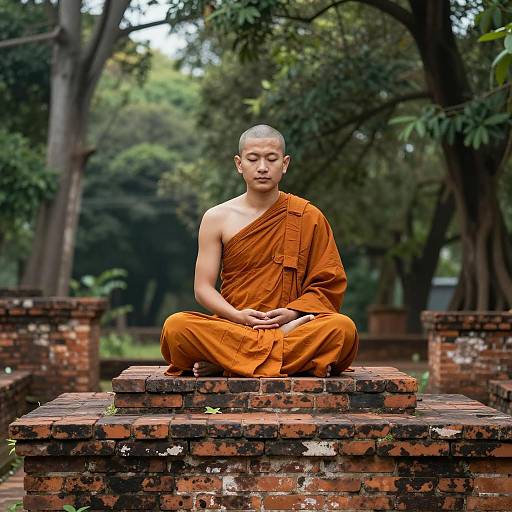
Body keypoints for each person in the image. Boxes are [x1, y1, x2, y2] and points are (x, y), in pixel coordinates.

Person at [160, 124, 358, 378]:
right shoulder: (217, 218)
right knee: (176, 328)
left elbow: (328, 283)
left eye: (271, 159)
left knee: (342, 329)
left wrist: (294, 312)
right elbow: (203, 288)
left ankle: (226, 363)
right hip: (233, 325)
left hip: (290, 325)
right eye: (253, 159)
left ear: (285, 164)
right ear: (239, 163)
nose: (262, 167)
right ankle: (287, 356)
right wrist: (238, 317)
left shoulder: (308, 216)